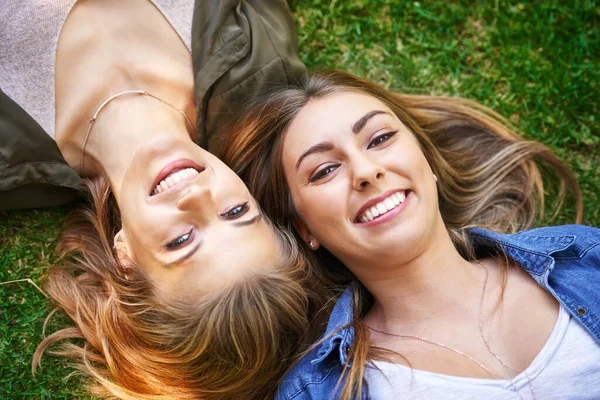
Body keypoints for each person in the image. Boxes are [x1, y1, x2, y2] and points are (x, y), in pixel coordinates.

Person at [1, 1, 327, 398]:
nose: (196, 196)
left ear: (126, 261)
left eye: (180, 241)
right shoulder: (256, 64)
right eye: (236, 211)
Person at [223, 70, 600, 399]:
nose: (366, 171)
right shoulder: (318, 391)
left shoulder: (584, 255)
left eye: (380, 139)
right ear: (304, 228)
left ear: (427, 161)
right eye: (324, 171)